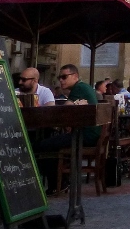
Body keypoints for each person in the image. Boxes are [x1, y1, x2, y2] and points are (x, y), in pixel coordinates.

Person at [34, 64, 100, 194]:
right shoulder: (83, 87)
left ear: (75, 76)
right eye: (59, 77)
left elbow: (64, 111)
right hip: (89, 134)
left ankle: (56, 184)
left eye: (64, 77)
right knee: (51, 143)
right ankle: (61, 181)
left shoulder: (79, 88)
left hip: (85, 136)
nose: (61, 80)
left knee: (44, 145)